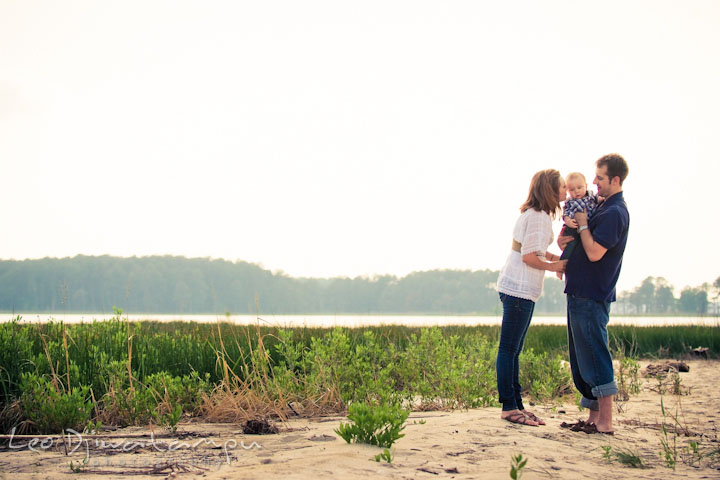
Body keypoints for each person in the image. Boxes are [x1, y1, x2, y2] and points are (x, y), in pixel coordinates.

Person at [559, 153, 630, 435]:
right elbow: (577, 236)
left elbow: (594, 251)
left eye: (599, 178)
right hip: (579, 290)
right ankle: (592, 418)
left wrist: (583, 223)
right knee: (582, 358)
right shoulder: (601, 206)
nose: (594, 183)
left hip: (592, 293)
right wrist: (565, 236)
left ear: (615, 179)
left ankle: (606, 422)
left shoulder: (614, 212)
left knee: (595, 354)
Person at [496, 169, 567, 426]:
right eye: (561, 187)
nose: (566, 191)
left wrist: (554, 258)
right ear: (549, 189)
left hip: (519, 286)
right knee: (509, 349)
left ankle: (517, 404)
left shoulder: (535, 214)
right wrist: (554, 267)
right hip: (519, 287)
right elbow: (528, 256)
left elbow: (534, 249)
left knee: (514, 350)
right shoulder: (538, 217)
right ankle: (508, 407)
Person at [556, 173, 600, 277]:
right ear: (568, 191)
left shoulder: (591, 196)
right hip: (573, 227)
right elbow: (565, 213)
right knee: (570, 246)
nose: (576, 191)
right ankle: (560, 267)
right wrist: (568, 221)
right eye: (572, 189)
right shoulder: (570, 202)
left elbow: (599, 200)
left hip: (587, 226)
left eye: (579, 187)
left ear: (586, 186)